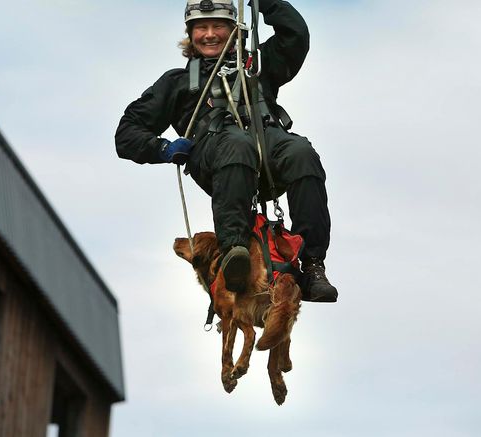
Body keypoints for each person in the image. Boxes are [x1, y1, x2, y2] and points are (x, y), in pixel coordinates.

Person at [115, 0, 337, 302]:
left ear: (234, 30)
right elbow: (127, 132)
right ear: (190, 35)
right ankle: (235, 252)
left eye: (218, 26)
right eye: (201, 28)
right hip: (217, 155)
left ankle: (312, 265)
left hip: (267, 149)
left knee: (301, 152)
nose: (209, 34)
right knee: (237, 144)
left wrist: (269, 3)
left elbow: (295, 35)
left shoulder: (259, 66)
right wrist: (163, 148)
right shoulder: (177, 83)